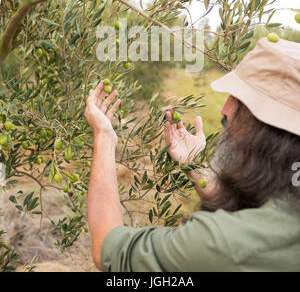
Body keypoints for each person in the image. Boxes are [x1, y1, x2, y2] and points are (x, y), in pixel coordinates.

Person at [85, 37, 300, 272]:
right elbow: (262, 210)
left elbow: (109, 250)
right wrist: (194, 166)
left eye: (238, 100)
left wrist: (105, 137)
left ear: (266, 128)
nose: (225, 110)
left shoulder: (222, 244)